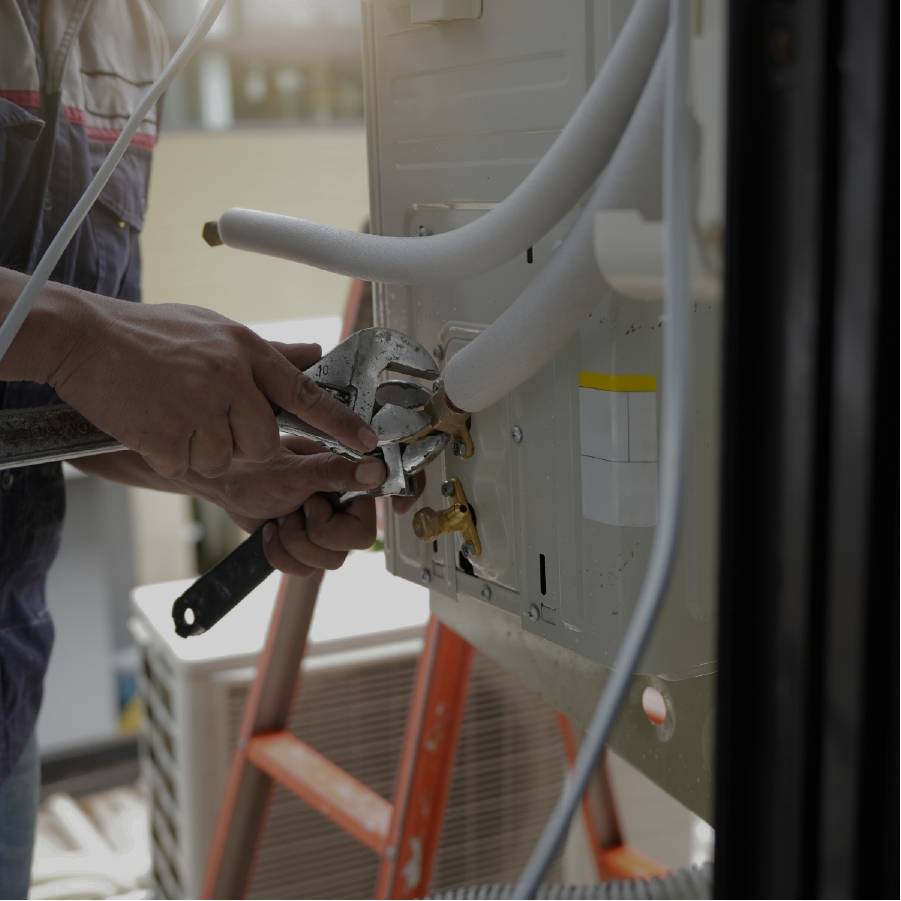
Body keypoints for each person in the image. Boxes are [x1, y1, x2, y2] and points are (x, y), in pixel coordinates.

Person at [0, 2, 416, 896]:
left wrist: (219, 466)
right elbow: (73, 347)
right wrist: (83, 333)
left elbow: (45, 404)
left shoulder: (138, 26)